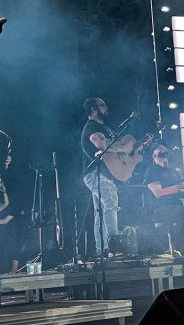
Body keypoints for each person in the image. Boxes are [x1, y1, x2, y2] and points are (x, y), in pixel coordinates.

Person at [80, 97, 125, 257]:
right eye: (102, 105)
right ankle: (113, 247)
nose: (106, 108)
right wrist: (125, 147)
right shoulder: (92, 127)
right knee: (110, 204)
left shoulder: (103, 127)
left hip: (101, 174)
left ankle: (103, 251)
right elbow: (102, 146)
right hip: (96, 174)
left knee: (100, 211)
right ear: (93, 109)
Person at [143, 144, 184, 255]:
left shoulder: (174, 172)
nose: (161, 147)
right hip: (160, 209)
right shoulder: (152, 171)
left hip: (177, 206)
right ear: (153, 155)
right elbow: (159, 193)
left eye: (163, 146)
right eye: (158, 147)